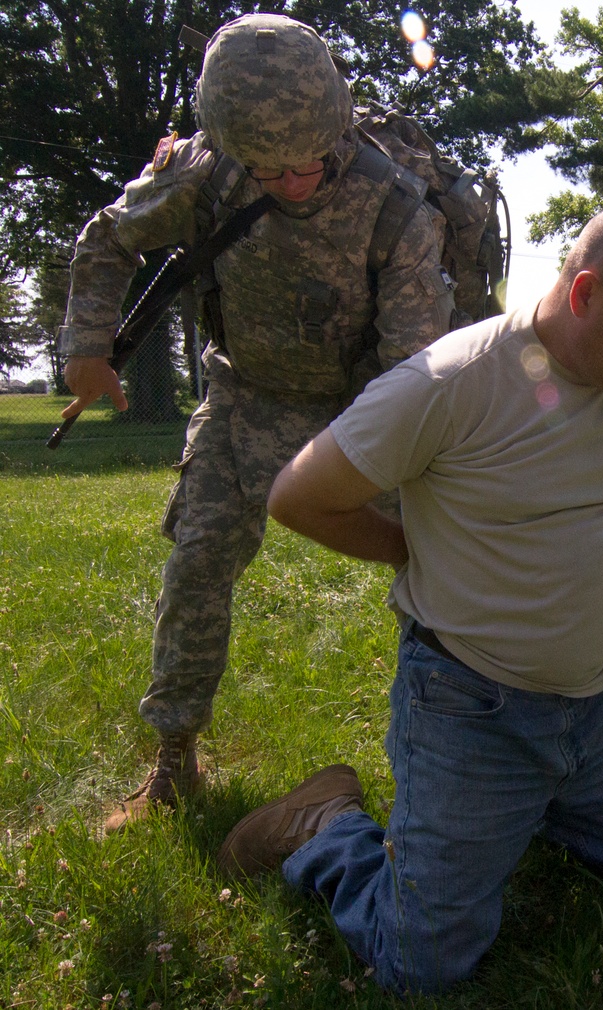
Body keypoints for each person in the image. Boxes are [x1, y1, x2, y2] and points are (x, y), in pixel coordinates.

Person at [216, 198, 603, 993]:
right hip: (470, 704)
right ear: (583, 294)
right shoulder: (450, 383)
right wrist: (414, 548)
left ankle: (530, 807)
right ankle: (326, 826)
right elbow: (297, 496)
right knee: (421, 967)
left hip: (599, 701)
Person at [57, 13, 455, 832]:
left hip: (360, 413)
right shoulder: (208, 174)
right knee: (198, 562)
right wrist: (87, 349)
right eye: (270, 169)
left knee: (444, 569)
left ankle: (464, 751)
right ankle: (174, 758)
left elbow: (412, 379)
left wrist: (370, 482)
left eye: (310, 162)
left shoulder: (398, 210)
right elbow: (107, 240)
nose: (295, 180)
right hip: (241, 398)